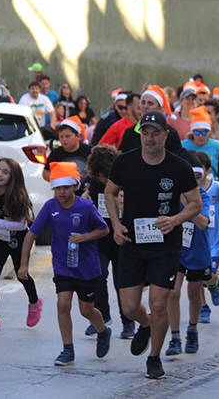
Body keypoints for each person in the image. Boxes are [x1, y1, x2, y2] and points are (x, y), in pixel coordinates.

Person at [104, 110, 202, 379]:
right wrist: (116, 225)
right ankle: (145, 325)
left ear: (165, 135)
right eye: (145, 132)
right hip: (133, 243)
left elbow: (196, 204)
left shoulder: (178, 167)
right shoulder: (125, 162)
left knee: (159, 303)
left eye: (155, 133)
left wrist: (175, 219)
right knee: (129, 307)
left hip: (166, 245)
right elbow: (109, 192)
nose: (149, 138)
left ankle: (154, 357)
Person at [19, 162, 111, 366]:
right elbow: (31, 234)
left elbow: (104, 230)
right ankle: (67, 349)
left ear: (75, 186)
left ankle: (103, 331)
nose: (61, 192)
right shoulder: (50, 207)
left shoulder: (86, 207)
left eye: (66, 187)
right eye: (57, 187)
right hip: (62, 265)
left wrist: (85, 237)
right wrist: (23, 265)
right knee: (63, 304)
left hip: (87, 267)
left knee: (86, 310)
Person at [0, 158, 41, 332]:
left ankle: (34, 302)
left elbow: (21, 225)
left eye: (5, 172)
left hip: (18, 240)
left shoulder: (17, 196)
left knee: (22, 275)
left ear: (13, 178)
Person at [84, 145, 141, 339]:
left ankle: (128, 322)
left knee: (122, 282)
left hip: (124, 237)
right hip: (101, 237)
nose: (104, 180)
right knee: (97, 276)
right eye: (99, 176)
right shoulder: (94, 181)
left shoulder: (128, 176)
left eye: (106, 175)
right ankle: (102, 316)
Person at [165, 150, 211, 356]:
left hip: (198, 252)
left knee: (194, 294)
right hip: (176, 250)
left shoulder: (204, 196)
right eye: (188, 177)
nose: (193, 181)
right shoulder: (171, 194)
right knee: (172, 292)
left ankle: (192, 329)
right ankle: (174, 337)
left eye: (197, 177)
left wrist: (188, 204)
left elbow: (202, 224)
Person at [195, 152, 219, 323]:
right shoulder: (187, 190)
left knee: (208, 275)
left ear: (208, 170)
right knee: (195, 277)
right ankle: (203, 307)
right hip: (195, 240)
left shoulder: (218, 188)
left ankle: (213, 283)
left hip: (214, 241)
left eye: (199, 172)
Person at [119, 88, 182, 155]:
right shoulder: (129, 133)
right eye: (143, 103)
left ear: (160, 108)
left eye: (150, 103)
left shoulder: (171, 134)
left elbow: (177, 161)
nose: (145, 106)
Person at [181, 106, 219, 181]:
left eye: (204, 132)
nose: (200, 136)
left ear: (209, 132)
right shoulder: (183, 146)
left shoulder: (217, 145)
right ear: (192, 131)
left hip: (211, 184)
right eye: (197, 132)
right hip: (189, 185)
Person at [43, 116, 91, 194]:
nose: (64, 140)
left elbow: (98, 171)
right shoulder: (56, 153)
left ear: (78, 136)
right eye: (61, 137)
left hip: (85, 193)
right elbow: (45, 172)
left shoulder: (89, 151)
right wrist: (58, 180)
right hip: (63, 195)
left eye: (68, 136)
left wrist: (92, 185)